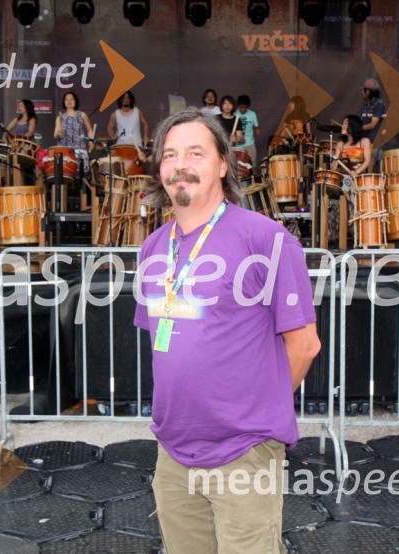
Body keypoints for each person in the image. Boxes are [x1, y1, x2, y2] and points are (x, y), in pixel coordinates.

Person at [134, 107, 321, 553]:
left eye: (196, 153)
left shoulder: (266, 239)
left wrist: (255, 410)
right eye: (170, 155)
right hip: (173, 454)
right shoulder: (152, 248)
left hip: (244, 452)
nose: (180, 164)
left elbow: (305, 345)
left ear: (223, 164)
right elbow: (165, 342)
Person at [54, 91, 94, 179]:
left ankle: (83, 191)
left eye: (71, 99)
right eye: (66, 99)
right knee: (65, 175)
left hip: (79, 149)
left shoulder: (82, 115)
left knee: (82, 176)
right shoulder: (60, 117)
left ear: (75, 101)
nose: (69, 101)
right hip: (64, 149)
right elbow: (55, 135)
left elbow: (90, 130)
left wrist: (91, 141)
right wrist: (58, 134)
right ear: (64, 102)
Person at [360, 78, 387, 143]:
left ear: (368, 91)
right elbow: (363, 121)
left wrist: (357, 129)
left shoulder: (379, 104)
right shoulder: (367, 104)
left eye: (363, 90)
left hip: (374, 142)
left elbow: (372, 125)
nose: (361, 92)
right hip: (365, 141)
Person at [237, 94, 260, 165]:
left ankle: (254, 176)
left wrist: (257, 130)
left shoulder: (252, 114)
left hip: (250, 144)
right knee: (239, 166)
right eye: (241, 107)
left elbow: (257, 126)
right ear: (238, 106)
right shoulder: (234, 114)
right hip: (237, 145)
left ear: (248, 106)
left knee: (253, 164)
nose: (243, 109)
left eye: (245, 107)